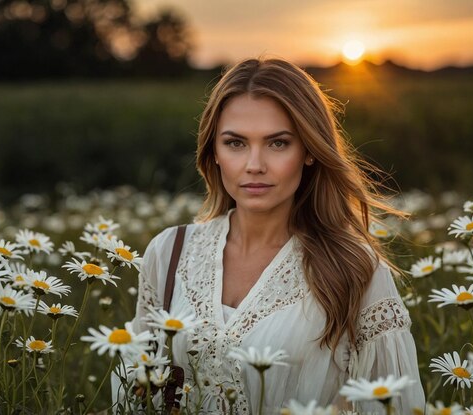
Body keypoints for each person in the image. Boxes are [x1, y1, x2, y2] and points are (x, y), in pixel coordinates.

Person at [128, 57, 425, 413]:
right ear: (214, 153)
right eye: (236, 143)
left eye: (278, 143)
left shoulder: (355, 269)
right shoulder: (169, 253)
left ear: (310, 151)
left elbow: (395, 405)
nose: (255, 164)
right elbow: (135, 390)